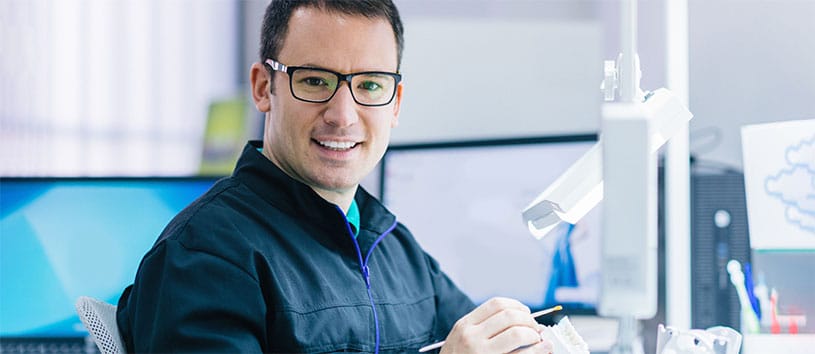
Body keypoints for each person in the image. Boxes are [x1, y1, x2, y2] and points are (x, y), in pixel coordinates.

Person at [116, 1, 554, 353]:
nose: (343, 115)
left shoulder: (394, 248)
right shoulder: (205, 255)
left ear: (395, 103)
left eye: (370, 86)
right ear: (264, 88)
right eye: (314, 81)